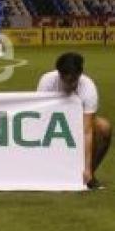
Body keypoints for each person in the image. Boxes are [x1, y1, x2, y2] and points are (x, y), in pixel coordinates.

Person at [37, 52, 111, 189]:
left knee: (104, 127)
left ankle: (88, 176)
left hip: (79, 124)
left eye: (74, 80)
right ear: (59, 74)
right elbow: (42, 116)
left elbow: (87, 130)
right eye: (66, 80)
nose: (70, 84)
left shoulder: (88, 88)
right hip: (53, 125)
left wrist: (88, 168)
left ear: (80, 74)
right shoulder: (46, 81)